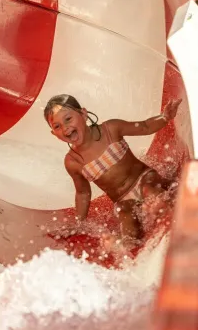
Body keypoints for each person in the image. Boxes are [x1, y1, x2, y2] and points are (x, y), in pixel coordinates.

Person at [44, 94, 181, 239]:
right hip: (123, 199)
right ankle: (124, 245)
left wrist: (165, 117)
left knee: (151, 192)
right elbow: (83, 192)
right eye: (57, 126)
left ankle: (167, 212)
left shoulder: (111, 129)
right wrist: (79, 223)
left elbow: (145, 127)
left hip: (143, 178)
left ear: (83, 114)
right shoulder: (73, 162)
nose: (65, 127)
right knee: (126, 218)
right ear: (54, 134)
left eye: (68, 119)